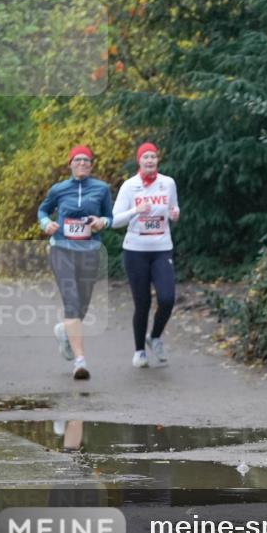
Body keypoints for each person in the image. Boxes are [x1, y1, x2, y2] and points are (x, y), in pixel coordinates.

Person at [37, 145, 113, 380]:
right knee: (71, 300)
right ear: (70, 164)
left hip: (89, 251)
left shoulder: (101, 188)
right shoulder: (59, 189)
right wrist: (46, 224)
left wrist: (102, 222)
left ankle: (65, 331)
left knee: (83, 302)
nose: (82, 163)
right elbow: (42, 210)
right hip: (62, 249)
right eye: (77, 160)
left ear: (91, 165)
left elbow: (109, 216)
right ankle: (80, 361)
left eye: (86, 160)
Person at [111, 142, 180, 368]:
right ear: (139, 161)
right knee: (142, 303)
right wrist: (135, 211)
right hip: (135, 251)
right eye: (145, 157)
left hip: (161, 249)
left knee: (167, 299)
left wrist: (174, 214)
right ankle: (140, 351)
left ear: (157, 160)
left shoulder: (168, 183)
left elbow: (173, 210)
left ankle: (156, 336)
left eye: (153, 157)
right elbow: (114, 221)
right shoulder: (129, 187)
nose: (149, 160)